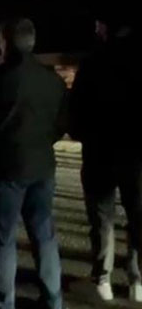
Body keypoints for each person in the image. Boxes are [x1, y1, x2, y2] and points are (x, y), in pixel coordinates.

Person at [0, 18, 68, 309]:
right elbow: (62, 121)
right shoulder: (52, 80)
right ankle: (53, 300)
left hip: (4, 170)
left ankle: (4, 303)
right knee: (44, 236)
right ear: (32, 42)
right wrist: (43, 141)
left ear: (5, 42)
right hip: (42, 167)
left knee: (3, 239)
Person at [69, 17, 142, 302]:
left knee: (102, 217)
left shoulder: (92, 63)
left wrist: (84, 134)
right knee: (137, 216)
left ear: (106, 30)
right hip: (136, 155)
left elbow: (75, 115)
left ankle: (102, 280)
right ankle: (137, 282)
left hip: (100, 152)